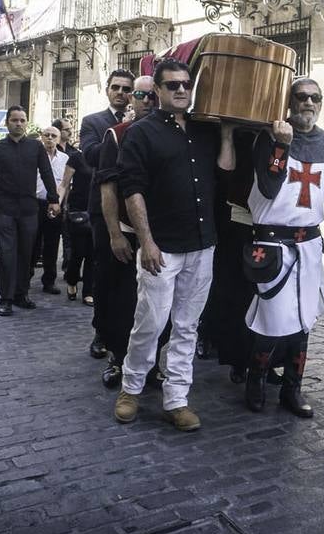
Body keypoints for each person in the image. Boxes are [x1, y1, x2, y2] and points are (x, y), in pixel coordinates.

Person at [112, 60, 235, 431]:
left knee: (187, 325)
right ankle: (130, 389)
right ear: (159, 92)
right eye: (173, 85)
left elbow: (225, 172)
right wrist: (146, 241)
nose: (182, 90)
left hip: (202, 245)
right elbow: (131, 190)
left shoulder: (205, 130)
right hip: (161, 247)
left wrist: (227, 134)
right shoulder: (141, 133)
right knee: (150, 321)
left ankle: (177, 398)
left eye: (186, 84)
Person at [238, 77, 324, 419]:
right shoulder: (269, 139)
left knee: (303, 322)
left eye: (315, 97)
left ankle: (292, 389)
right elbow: (269, 188)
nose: (308, 103)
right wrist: (281, 146)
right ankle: (255, 381)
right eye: (301, 96)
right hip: (273, 244)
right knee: (271, 320)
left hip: (310, 245)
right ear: (290, 101)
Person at [92, 75, 155, 386]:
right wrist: (115, 234)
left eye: (151, 96)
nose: (146, 101)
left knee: (155, 305)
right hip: (127, 232)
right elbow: (108, 188)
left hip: (160, 236)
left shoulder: (170, 134)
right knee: (123, 299)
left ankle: (152, 363)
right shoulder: (116, 135)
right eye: (140, 96)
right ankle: (118, 359)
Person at [0, 106, 61, 316]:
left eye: (22, 120)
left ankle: (21, 295)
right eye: (15, 120)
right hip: (4, 209)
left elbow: (47, 173)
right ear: (7, 123)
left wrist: (53, 199)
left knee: (26, 253)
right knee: (6, 254)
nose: (19, 123)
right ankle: (5, 298)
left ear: (26, 123)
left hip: (29, 209)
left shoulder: (36, 147)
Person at [32, 126, 70, 294]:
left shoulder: (65, 158)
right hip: (36, 203)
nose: (49, 138)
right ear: (41, 137)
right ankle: (26, 276)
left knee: (52, 244)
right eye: (46, 135)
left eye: (53, 136)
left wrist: (62, 204)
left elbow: (67, 184)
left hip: (56, 205)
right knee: (32, 242)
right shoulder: (34, 157)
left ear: (59, 138)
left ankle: (49, 281)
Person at [59, 121, 94, 302]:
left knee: (93, 254)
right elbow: (64, 184)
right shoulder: (75, 157)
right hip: (78, 210)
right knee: (78, 252)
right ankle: (72, 280)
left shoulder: (105, 157)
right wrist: (56, 204)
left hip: (98, 210)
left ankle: (89, 291)